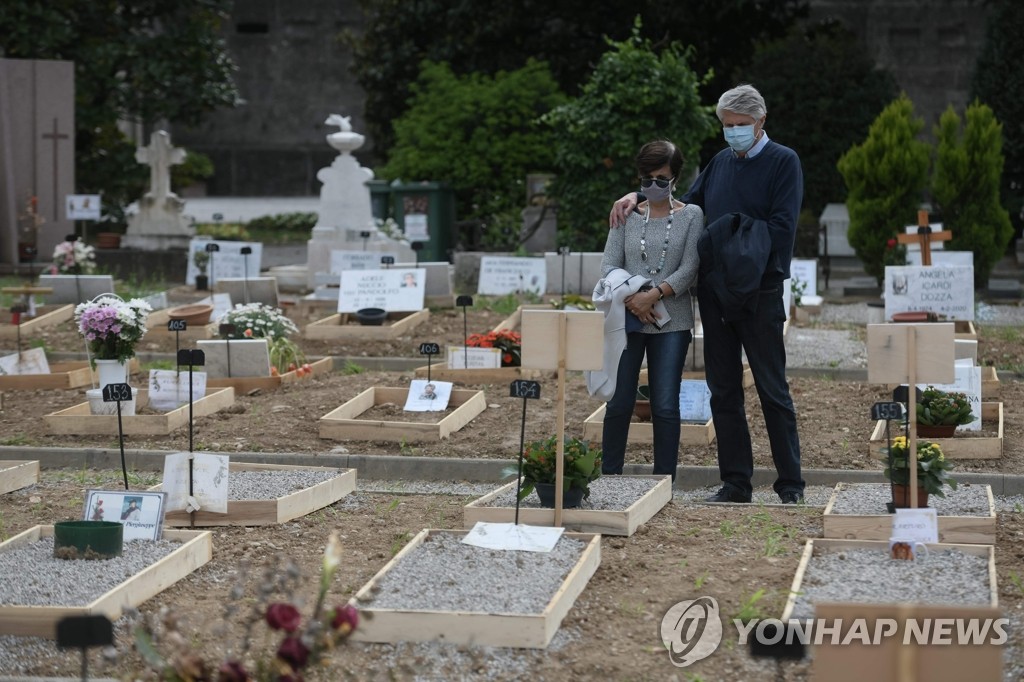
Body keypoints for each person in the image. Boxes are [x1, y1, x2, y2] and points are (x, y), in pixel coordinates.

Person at [609, 84, 805, 504]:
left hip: (760, 292)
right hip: (716, 295)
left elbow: (781, 229)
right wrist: (636, 195)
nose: (732, 131)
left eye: (740, 125)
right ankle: (736, 483)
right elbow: (685, 207)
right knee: (724, 390)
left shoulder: (783, 162)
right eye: (727, 125)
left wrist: (727, 236)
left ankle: (790, 483)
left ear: (761, 121)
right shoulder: (719, 163)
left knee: (772, 389)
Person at [593, 139, 702, 480]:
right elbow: (609, 265)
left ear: (675, 179)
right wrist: (636, 299)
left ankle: (663, 480)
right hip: (627, 318)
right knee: (619, 400)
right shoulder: (626, 215)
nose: (653, 186)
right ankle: (610, 476)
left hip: (673, 322)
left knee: (665, 404)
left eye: (661, 179)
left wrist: (654, 295)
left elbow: (690, 267)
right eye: (646, 180)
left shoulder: (691, 215)